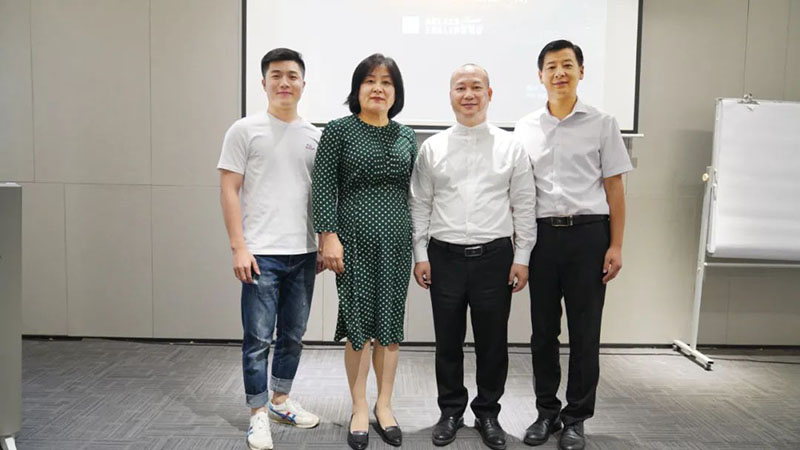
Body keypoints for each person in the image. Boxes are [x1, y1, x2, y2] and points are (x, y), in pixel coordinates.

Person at [409, 64, 537, 450]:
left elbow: (524, 204)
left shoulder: (511, 146)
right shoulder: (432, 147)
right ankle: (450, 411)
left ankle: (487, 413)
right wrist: (420, 253)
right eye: (460, 88)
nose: (469, 94)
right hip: (443, 256)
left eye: (476, 87)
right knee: (447, 342)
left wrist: (522, 256)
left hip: (494, 257)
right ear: (450, 95)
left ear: (489, 94)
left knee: (492, 343)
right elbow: (420, 203)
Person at [513, 40, 633, 450]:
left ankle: (576, 418)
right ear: (540, 75)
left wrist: (616, 245)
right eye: (551, 66)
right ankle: (546, 412)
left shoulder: (603, 123)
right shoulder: (525, 127)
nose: (559, 73)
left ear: (582, 71)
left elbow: (615, 188)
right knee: (543, 333)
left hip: (588, 236)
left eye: (567, 65)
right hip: (542, 238)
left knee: (585, 333)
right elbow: (520, 192)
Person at [218, 48, 322, 450]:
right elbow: (229, 189)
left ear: (303, 84)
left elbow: (319, 196)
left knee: (293, 335)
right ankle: (258, 414)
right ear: (263, 83)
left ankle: (280, 401)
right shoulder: (244, 130)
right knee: (258, 339)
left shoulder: (314, 136)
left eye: (292, 76)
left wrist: (320, 243)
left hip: (304, 254)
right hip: (260, 253)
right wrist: (238, 247)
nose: (284, 82)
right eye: (276, 75)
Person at [311, 53, 417, 450]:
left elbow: (414, 193)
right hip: (352, 239)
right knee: (358, 325)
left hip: (397, 240)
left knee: (389, 324)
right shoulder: (339, 130)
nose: (378, 88)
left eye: (387, 82)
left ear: (396, 92)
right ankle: (358, 407)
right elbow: (323, 186)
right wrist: (328, 236)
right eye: (370, 81)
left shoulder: (406, 136)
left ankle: (384, 406)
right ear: (357, 89)